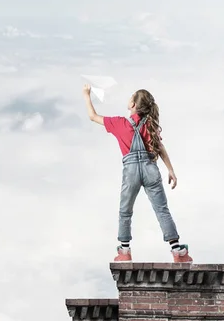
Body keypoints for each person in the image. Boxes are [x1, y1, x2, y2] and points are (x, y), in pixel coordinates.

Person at [82, 84, 192, 263]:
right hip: (150, 169)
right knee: (162, 209)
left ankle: (124, 252)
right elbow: (160, 147)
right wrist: (170, 170)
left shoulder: (120, 123)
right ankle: (177, 251)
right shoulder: (150, 125)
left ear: (133, 104)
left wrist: (86, 95)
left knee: (125, 211)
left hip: (131, 171)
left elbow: (92, 116)